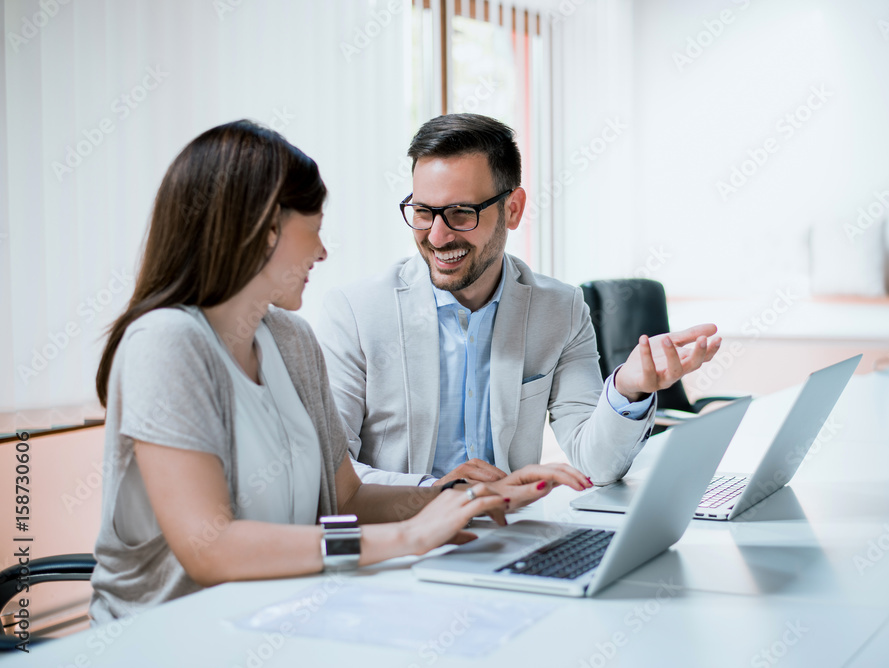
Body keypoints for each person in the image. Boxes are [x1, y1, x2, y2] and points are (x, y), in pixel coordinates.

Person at [89, 120, 591, 623]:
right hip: (168, 637)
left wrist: (464, 496)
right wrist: (406, 537)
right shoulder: (165, 343)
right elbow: (211, 547)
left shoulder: (291, 340)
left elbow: (346, 497)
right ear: (266, 232)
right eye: (315, 229)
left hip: (283, 616)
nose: (322, 252)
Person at [314, 114, 722, 489]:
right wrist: (445, 494)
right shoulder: (354, 313)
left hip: (507, 535)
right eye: (423, 212)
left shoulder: (561, 310)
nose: (437, 237)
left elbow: (596, 463)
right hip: (400, 540)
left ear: (512, 208)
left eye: (460, 213)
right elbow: (332, 471)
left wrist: (628, 389)